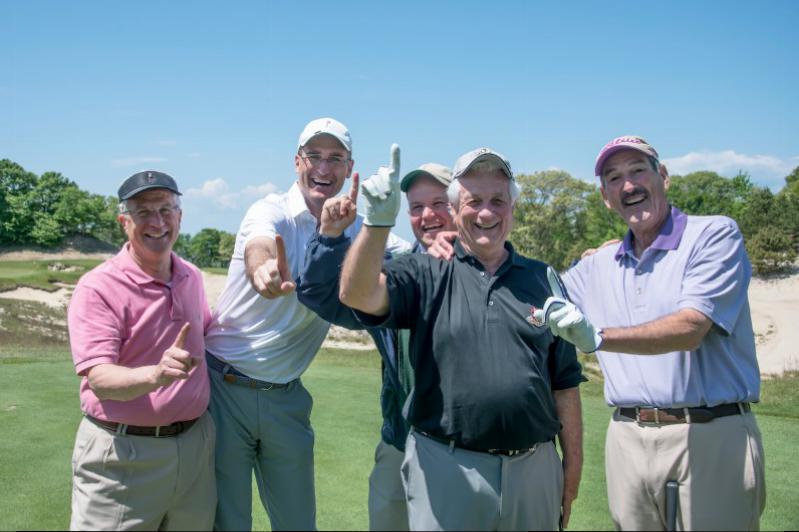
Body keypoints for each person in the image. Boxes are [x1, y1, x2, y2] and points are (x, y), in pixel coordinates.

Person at [338, 147, 585, 531]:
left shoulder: (544, 279)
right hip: (445, 468)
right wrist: (376, 224)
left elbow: (565, 383)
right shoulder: (424, 270)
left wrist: (571, 471)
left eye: (498, 200)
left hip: (534, 470)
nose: (486, 213)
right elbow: (357, 295)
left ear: (512, 208)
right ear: (455, 210)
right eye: (474, 201)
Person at [535, 136, 766, 530]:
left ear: (663, 176)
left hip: (710, 433)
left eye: (638, 170)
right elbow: (533, 304)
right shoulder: (599, 264)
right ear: (606, 197)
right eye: (614, 178)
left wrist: (598, 337)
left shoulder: (713, 236)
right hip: (627, 437)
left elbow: (691, 327)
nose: (628, 185)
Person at [204, 118, 410, 531]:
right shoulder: (269, 210)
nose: (323, 167)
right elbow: (259, 246)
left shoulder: (357, 229)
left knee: (298, 523)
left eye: (335, 158)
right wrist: (263, 271)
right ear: (297, 162)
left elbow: (413, 256)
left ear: (350, 166)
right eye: (314, 156)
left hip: (288, 395)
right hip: (223, 388)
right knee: (229, 523)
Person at [296, 162, 456, 531]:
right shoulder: (391, 274)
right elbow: (321, 293)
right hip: (399, 445)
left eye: (439, 203)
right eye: (416, 207)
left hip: (465, 455)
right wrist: (331, 235)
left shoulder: (486, 273)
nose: (428, 216)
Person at [67, 171, 215, 531]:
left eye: (166, 209)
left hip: (195, 449)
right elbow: (99, 378)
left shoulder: (191, 276)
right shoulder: (98, 287)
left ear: (180, 216)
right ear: (124, 222)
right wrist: (156, 375)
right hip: (124, 457)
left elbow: (209, 334)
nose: (158, 222)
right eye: (144, 212)